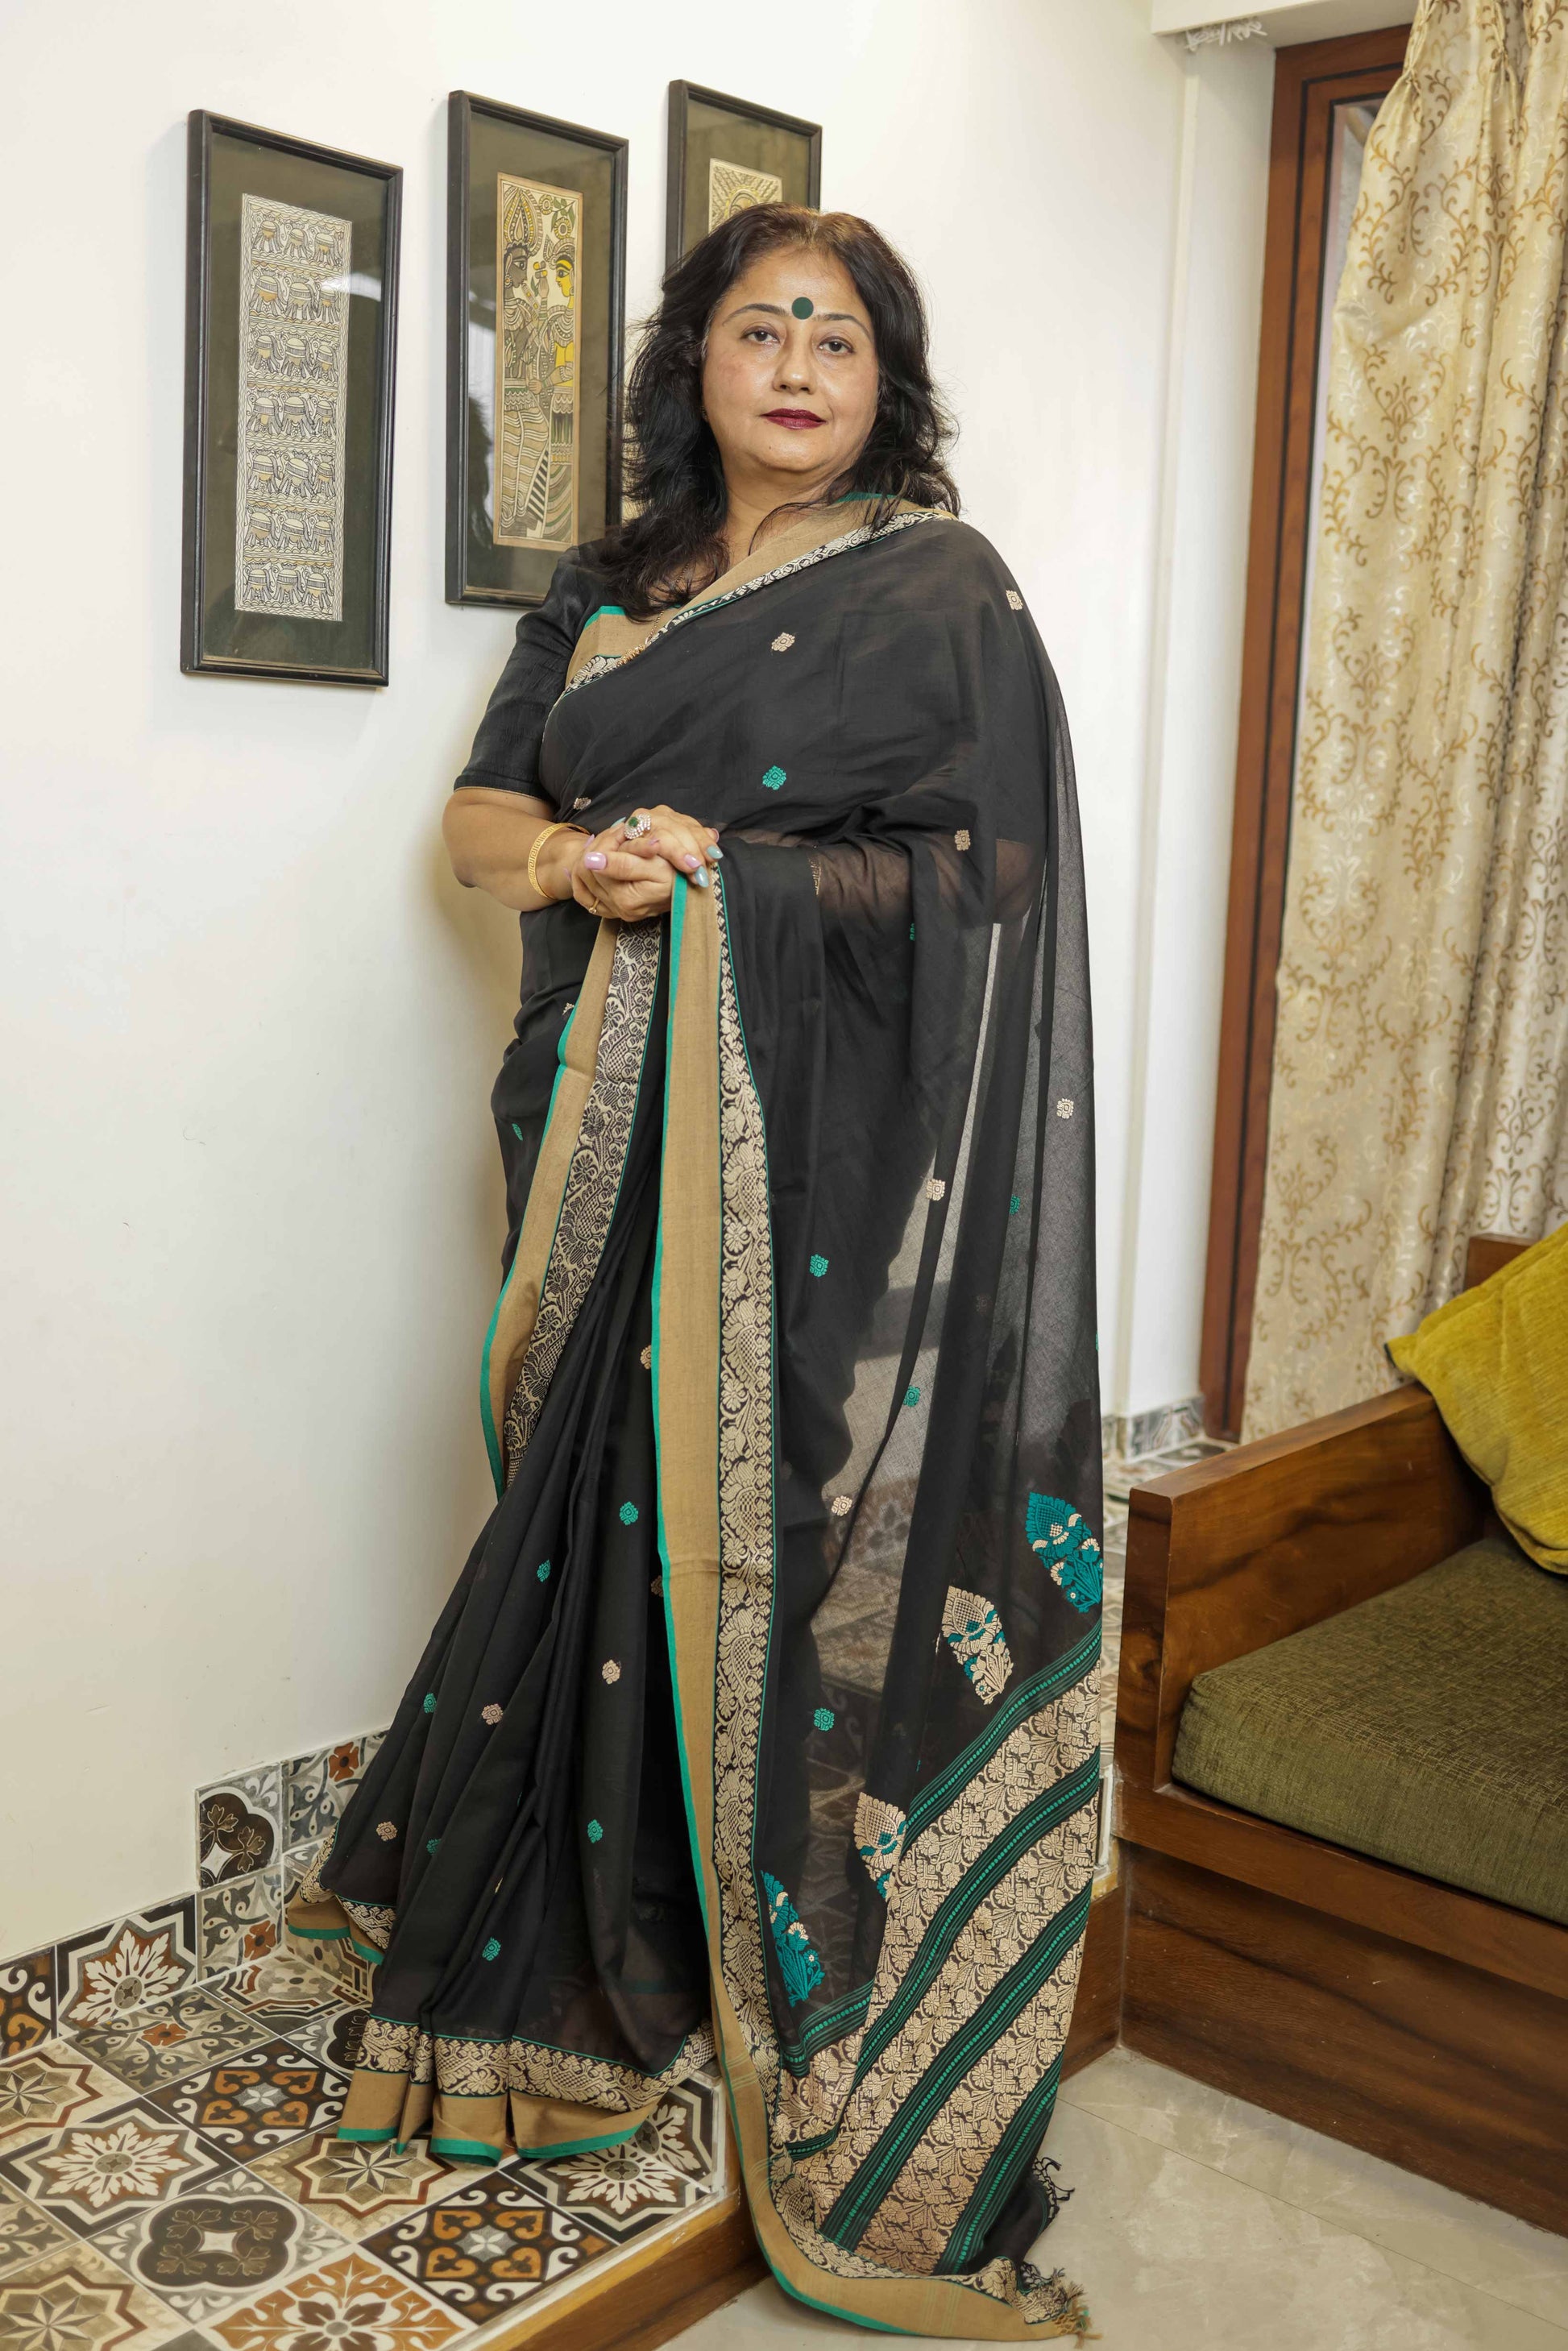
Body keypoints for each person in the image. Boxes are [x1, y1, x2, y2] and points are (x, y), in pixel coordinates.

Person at [289, 205, 1101, 2341]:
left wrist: (734, 886)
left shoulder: (935, 586)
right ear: (699, 364)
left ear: (883, 376)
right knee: (588, 1507)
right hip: (588, 1105)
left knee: (750, 1522)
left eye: (839, 334)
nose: (799, 364)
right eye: (762, 327)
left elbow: (992, 872)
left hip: (801, 1149)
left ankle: (758, 1926)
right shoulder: (605, 593)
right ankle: (589, 1922)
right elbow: (478, 822)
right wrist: (581, 859)